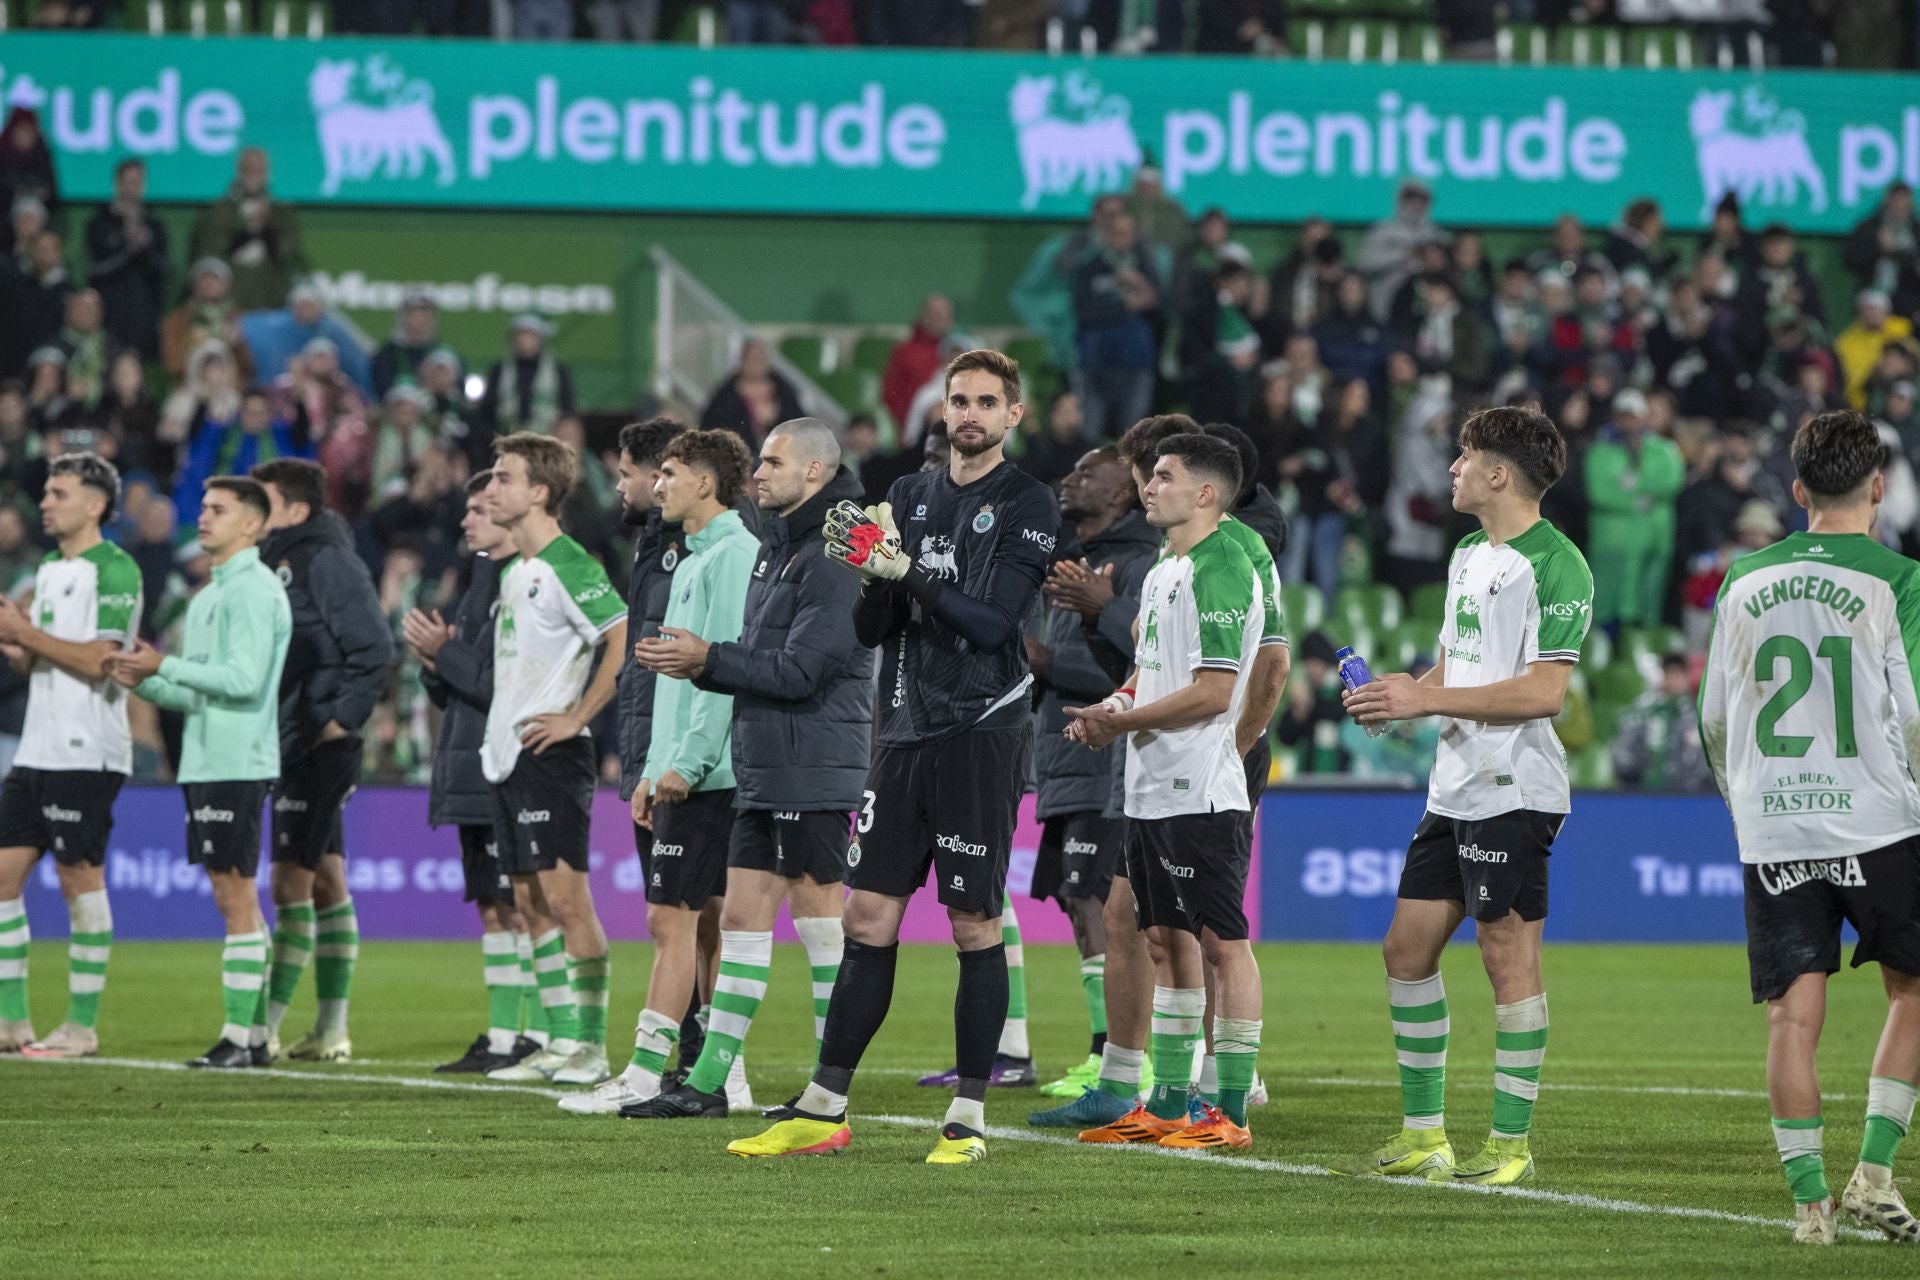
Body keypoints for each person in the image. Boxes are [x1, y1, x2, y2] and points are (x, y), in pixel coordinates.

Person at [731, 348, 1059, 1163]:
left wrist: (904, 567)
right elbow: (876, 630)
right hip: (905, 729)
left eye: (987, 402)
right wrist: (872, 574)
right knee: (865, 917)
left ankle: (969, 1119)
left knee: (973, 923)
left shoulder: (1028, 502)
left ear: (1013, 415)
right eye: (959, 400)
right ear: (941, 410)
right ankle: (822, 1105)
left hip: (983, 730)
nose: (970, 415)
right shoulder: (910, 494)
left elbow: (993, 626)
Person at [1332, 405, 1591, 1187]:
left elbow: (1547, 693)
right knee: (1405, 951)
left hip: (1517, 786)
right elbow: (1454, 671)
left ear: (1499, 475)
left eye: (1464, 457)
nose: (1451, 469)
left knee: (1505, 956)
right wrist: (1400, 695)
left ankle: (1511, 1144)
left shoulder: (1557, 564)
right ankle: (1426, 1135)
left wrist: (1426, 702)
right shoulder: (1470, 554)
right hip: (1456, 785)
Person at [1698, 409, 1920, 1244]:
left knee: (1793, 1017)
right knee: (1913, 989)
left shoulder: (1742, 579)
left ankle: (1809, 1208)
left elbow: (1715, 716)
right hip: (1878, 819)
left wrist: (1744, 807)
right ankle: (1873, 1171)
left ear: (1796, 491)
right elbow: (1915, 716)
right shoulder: (1899, 580)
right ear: (1878, 486)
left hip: (1776, 827)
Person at [620, 418, 870, 1119]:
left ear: (815, 473)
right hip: (764, 760)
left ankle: (829, 1088)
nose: (757, 473)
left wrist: (708, 661)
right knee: (739, 918)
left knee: (822, 922)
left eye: (772, 461)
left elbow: (802, 669)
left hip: (811, 762)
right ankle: (707, 1084)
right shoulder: (778, 548)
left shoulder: (832, 555)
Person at [1061, 430, 1267, 1151]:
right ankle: (1171, 1103)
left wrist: (1127, 723)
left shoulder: (1223, 566)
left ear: (1205, 493)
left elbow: (1215, 694)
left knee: (1221, 946)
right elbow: (1148, 675)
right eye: (1149, 478)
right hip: (1151, 790)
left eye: (1165, 477)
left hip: (1203, 789)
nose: (1149, 487)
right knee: (1161, 942)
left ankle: (1231, 1111)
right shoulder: (1158, 572)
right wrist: (1110, 712)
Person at [563, 429, 759, 1112]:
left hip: (712, 774)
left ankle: (647, 1073)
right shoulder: (694, 558)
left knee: (670, 919)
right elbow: (671, 683)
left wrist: (686, 763)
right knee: (683, 919)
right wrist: (651, 766)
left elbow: (723, 671)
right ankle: (722, 1076)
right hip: (680, 767)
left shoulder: (733, 555)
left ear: (705, 483)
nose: (658, 486)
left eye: (669, 473)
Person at [108, 476, 291, 1069]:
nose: (203, 518)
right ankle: (254, 1035)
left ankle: (242, 1038)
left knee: (235, 895)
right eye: (205, 507)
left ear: (253, 525)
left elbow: (244, 681)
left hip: (238, 761)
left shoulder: (255, 591)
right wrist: (149, 679)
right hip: (207, 758)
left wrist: (169, 664)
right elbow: (200, 694)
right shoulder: (209, 594)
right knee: (228, 894)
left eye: (218, 510)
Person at [478, 434, 626, 1086]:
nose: (491, 489)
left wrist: (576, 717)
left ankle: (590, 1047)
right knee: (529, 902)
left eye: (504, 478)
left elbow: (620, 638)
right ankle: (559, 1041)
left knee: (567, 902)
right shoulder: (515, 573)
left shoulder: (570, 562)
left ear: (540, 492)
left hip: (554, 754)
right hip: (509, 756)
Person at [249, 459, 394, 1062]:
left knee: (289, 882)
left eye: (261, 502)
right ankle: (331, 1028)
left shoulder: (322, 559)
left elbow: (375, 645)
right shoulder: (275, 562)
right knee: (326, 879)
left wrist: (339, 717)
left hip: (315, 740)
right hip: (291, 735)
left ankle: (261, 1031)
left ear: (295, 510)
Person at [1025, 446, 1158, 1100]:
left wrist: (1048, 663)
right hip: (1061, 753)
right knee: (1079, 904)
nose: (1069, 477)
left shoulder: (1137, 563)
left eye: (1087, 472)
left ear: (1123, 493)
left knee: (1106, 906)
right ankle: (1102, 1048)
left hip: (1106, 754)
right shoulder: (1070, 559)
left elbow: (1149, 665)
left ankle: (1129, 1053)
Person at [0, 454, 140, 1056]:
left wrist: (29, 635)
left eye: (59, 493)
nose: (46, 503)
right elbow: (42, 660)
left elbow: (102, 660)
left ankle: (80, 1026)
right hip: (36, 748)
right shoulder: (50, 568)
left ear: (96, 504)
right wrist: (16, 637)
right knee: (3, 881)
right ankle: (12, 1022)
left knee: (79, 882)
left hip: (87, 751)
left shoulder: (117, 569)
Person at [407, 471, 541, 1074]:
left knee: (523, 905)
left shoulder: (525, 581)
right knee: (493, 906)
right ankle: (501, 1037)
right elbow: (464, 689)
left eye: (480, 510)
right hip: (467, 759)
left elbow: (499, 686)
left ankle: (538, 1034)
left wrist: (444, 653)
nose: (467, 521)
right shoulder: (481, 579)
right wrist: (435, 665)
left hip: (504, 762)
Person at [1584, 389, 1684, 631]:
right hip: (1612, 541)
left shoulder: (1662, 449)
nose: (1629, 422)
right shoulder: (1600, 451)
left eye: (1634, 416)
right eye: (1623, 416)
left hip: (1652, 538)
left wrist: (1631, 487)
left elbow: (1671, 481)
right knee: (1607, 598)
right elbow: (1599, 491)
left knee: (1647, 597)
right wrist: (1637, 500)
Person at [1071, 208, 1163, 442]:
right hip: (1095, 364)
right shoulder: (1090, 268)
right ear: (1106, 235)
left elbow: (1160, 309)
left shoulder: (1145, 267)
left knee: (1133, 437)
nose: (1122, 238)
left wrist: (1139, 282)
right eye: (1116, 232)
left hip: (1136, 364)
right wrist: (1124, 306)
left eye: (1128, 232)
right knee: (1090, 434)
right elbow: (1084, 312)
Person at [191, 147, 304, 314]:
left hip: (272, 300)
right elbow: (210, 254)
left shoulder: (281, 212)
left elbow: (289, 252)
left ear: (267, 172)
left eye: (259, 169)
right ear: (238, 171)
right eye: (248, 168)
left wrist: (266, 229)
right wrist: (245, 231)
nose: (253, 174)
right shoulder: (219, 211)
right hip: (229, 303)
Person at [84, 158, 167, 361]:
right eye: (128, 181)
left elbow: (163, 269)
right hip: (110, 314)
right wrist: (128, 250)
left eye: (137, 182)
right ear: (117, 183)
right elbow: (94, 270)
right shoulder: (99, 223)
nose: (132, 188)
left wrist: (143, 248)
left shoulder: (154, 225)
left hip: (143, 315)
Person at [1609, 653, 1711, 793]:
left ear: (1687, 677)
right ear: (1662, 675)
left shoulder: (1696, 714)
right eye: (1670, 672)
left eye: (1680, 673)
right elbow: (1623, 755)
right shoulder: (1641, 712)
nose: (1675, 679)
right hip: (1641, 792)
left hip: (1687, 796)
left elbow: (1704, 761)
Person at [478, 314, 575, 439]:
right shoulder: (500, 369)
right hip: (508, 435)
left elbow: (567, 409)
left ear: (540, 339)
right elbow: (488, 409)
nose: (523, 339)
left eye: (529, 335)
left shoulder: (558, 370)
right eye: (519, 335)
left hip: (547, 436)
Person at [161, 259, 252, 384]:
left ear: (227, 285)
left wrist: (238, 344)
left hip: (228, 389)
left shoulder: (239, 318)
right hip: (190, 387)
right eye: (204, 279)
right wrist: (190, 342)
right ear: (194, 285)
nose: (209, 284)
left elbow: (249, 366)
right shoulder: (177, 319)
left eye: (215, 279)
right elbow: (172, 364)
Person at [700, 338, 803, 447]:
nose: (757, 364)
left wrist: (775, 418)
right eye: (753, 359)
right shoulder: (726, 394)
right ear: (742, 361)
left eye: (761, 359)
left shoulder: (783, 391)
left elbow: (799, 425)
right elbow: (711, 426)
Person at [882, 295, 954, 430]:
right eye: (935, 314)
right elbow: (890, 396)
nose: (939, 319)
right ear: (923, 316)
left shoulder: (962, 352)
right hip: (916, 429)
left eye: (944, 315)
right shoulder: (904, 352)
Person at [372, 292, 440, 399]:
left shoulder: (440, 352)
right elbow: (381, 389)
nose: (421, 319)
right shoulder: (387, 353)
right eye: (415, 314)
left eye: (425, 314)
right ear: (403, 317)